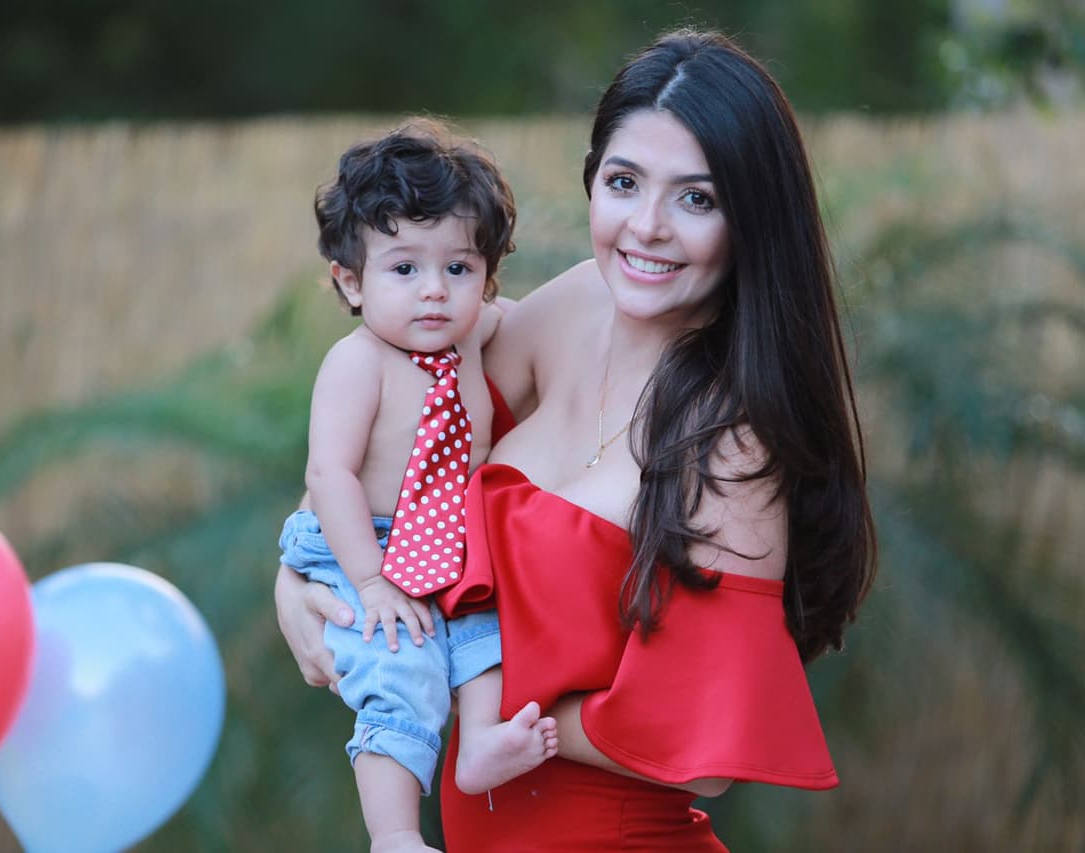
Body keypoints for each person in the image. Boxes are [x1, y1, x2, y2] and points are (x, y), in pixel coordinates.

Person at [277, 29, 876, 850]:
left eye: (697, 199)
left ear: (751, 220)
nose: (648, 227)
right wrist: (297, 580)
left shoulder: (736, 443)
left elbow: (701, 752)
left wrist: (465, 691)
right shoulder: (575, 303)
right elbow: (393, 454)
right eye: (625, 182)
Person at [277, 118, 558, 853]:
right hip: (358, 541)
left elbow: (549, 325)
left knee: (480, 633)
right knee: (395, 667)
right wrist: (369, 582)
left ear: (486, 277)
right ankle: (395, 833)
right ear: (351, 282)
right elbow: (327, 472)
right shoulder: (358, 361)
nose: (434, 292)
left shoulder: (471, 332)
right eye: (404, 269)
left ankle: (482, 743)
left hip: (444, 546)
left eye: (458, 268)